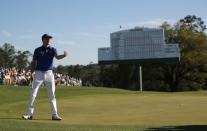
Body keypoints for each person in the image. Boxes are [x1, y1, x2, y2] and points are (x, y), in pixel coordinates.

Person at [22, 34, 68, 120]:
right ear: (43, 40)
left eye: (49, 39)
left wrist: (64, 55)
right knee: (33, 94)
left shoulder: (53, 49)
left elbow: (57, 57)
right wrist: (32, 73)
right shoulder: (37, 50)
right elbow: (34, 62)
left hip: (49, 73)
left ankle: (54, 115)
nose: (49, 40)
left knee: (52, 95)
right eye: (47, 38)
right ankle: (29, 114)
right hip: (38, 73)